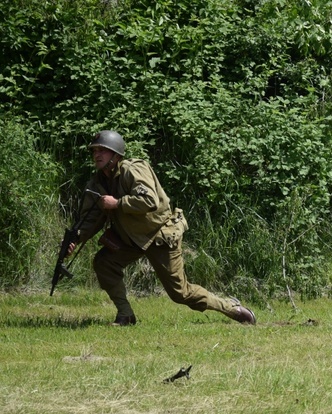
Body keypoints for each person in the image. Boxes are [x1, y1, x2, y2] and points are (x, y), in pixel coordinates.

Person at [66, 130, 256, 326]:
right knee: (104, 263)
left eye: (103, 151)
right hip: (131, 239)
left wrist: (117, 203)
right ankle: (126, 315)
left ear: (116, 155)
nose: (97, 155)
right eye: (95, 151)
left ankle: (232, 308)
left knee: (180, 293)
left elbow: (149, 200)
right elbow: (91, 219)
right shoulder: (96, 183)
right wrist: (75, 238)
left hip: (160, 235)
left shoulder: (133, 169)